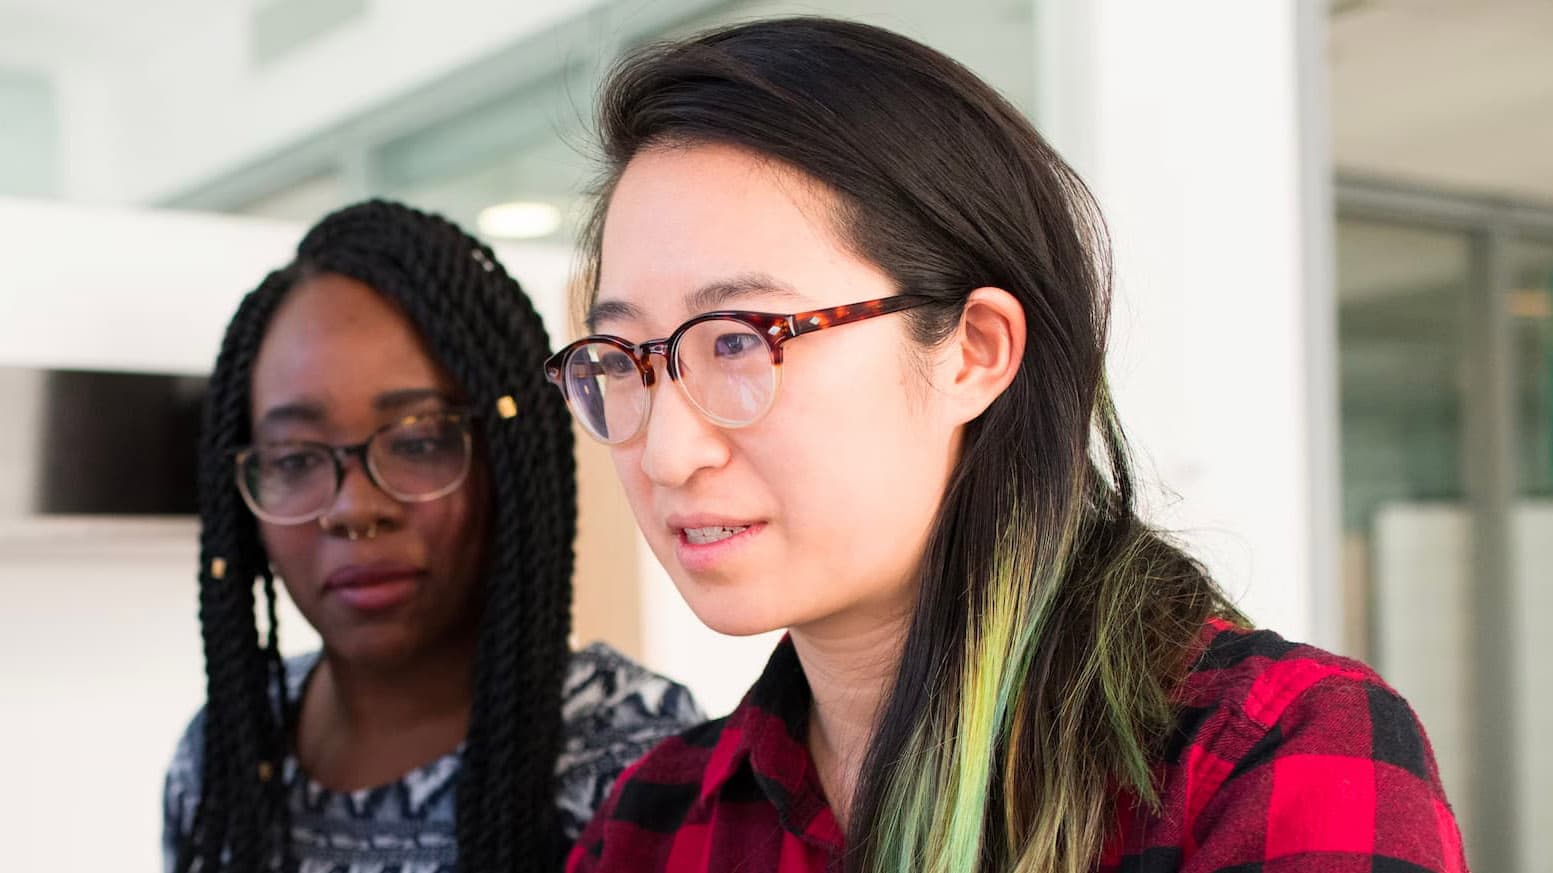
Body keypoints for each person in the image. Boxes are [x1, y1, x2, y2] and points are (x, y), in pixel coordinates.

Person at [549, 18, 1468, 873]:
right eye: (624, 359)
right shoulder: (655, 821)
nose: (669, 453)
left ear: (974, 349)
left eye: (738, 342)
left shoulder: (1271, 756)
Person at [163, 200, 702, 873]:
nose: (355, 508)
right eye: (295, 459)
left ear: (505, 459)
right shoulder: (226, 752)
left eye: (418, 442)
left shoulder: (632, 757)